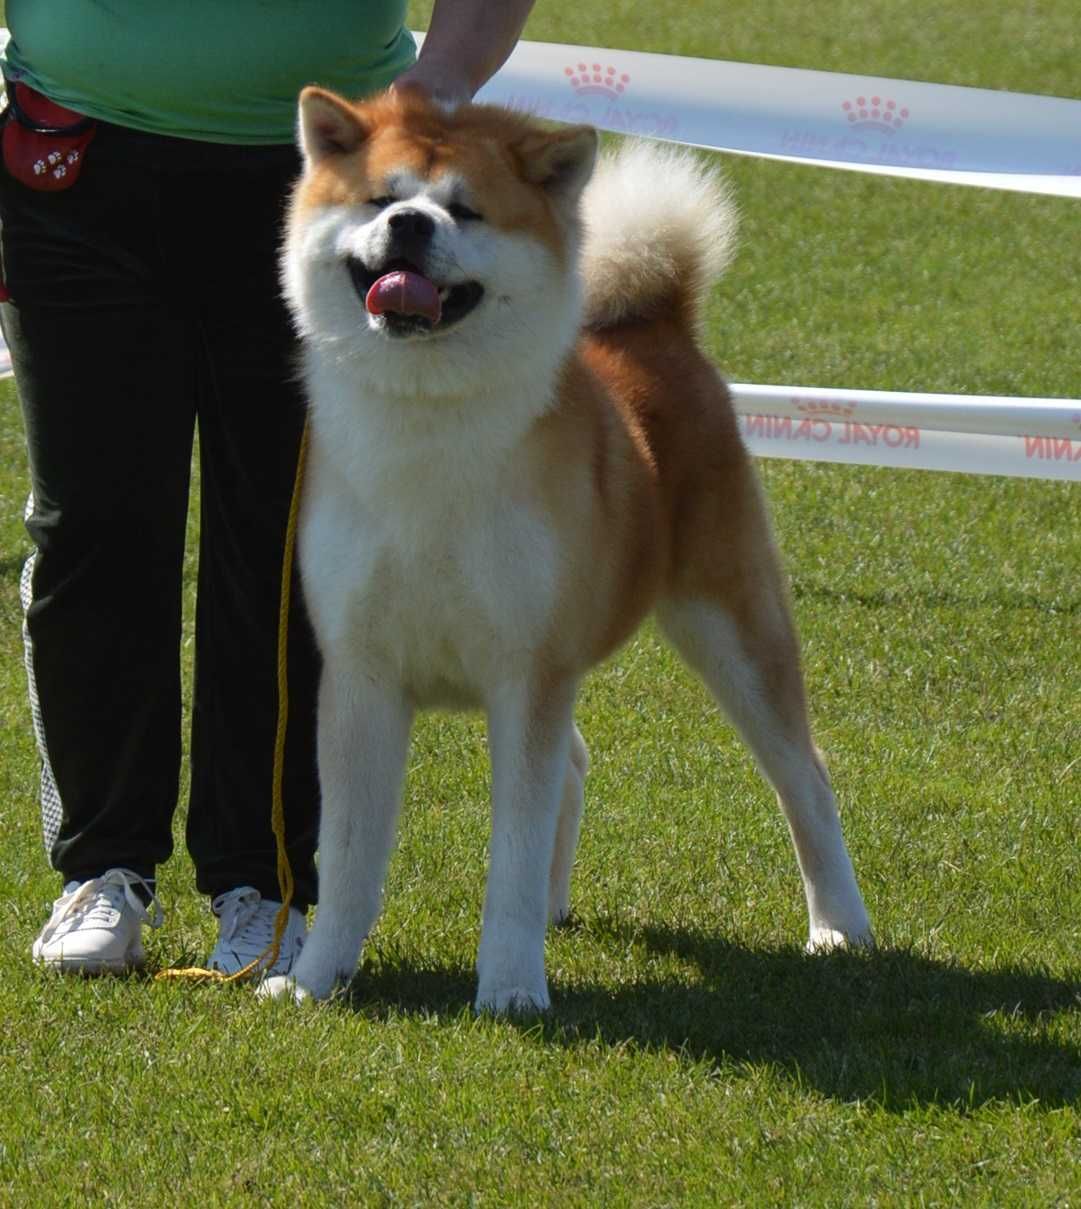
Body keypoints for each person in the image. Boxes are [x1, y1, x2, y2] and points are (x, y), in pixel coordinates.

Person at [2, 0, 536, 977]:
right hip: (72, 160)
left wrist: (439, 84)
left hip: (322, 175)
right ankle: (103, 869)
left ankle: (267, 880)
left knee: (289, 538)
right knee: (95, 525)